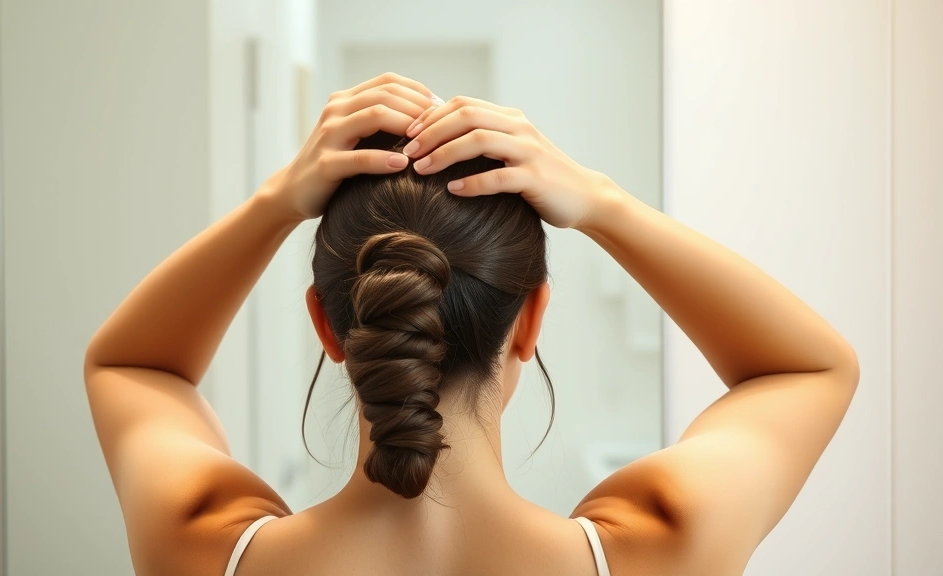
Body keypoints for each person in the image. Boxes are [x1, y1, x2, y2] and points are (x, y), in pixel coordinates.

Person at [84, 73, 859, 576]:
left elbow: (131, 366)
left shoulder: (209, 548)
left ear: (328, 326)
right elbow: (807, 368)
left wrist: (279, 199)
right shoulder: (658, 545)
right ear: (531, 322)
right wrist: (598, 200)